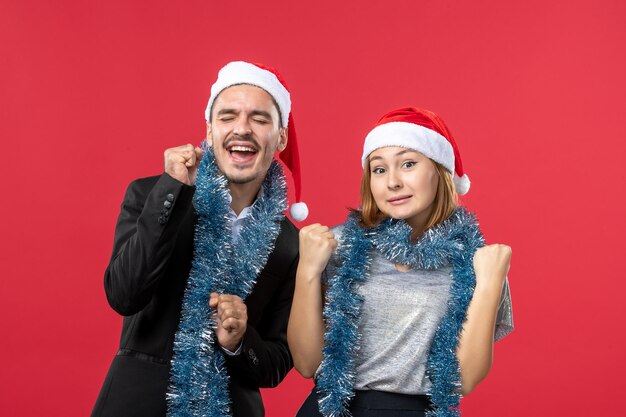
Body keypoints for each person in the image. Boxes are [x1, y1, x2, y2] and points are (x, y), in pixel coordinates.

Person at [92, 61, 308, 417]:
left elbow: (276, 363)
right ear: (209, 131)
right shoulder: (153, 195)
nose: (242, 128)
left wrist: (240, 340)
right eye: (228, 116)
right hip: (137, 403)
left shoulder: (291, 245)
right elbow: (124, 294)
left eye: (259, 118)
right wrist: (173, 189)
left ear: (280, 137)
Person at [288, 107, 513, 417]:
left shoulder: (477, 262)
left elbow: (463, 380)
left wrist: (488, 286)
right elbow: (306, 363)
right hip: (331, 409)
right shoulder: (338, 245)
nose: (392, 182)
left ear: (439, 170)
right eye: (379, 169)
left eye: (408, 164)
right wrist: (308, 271)